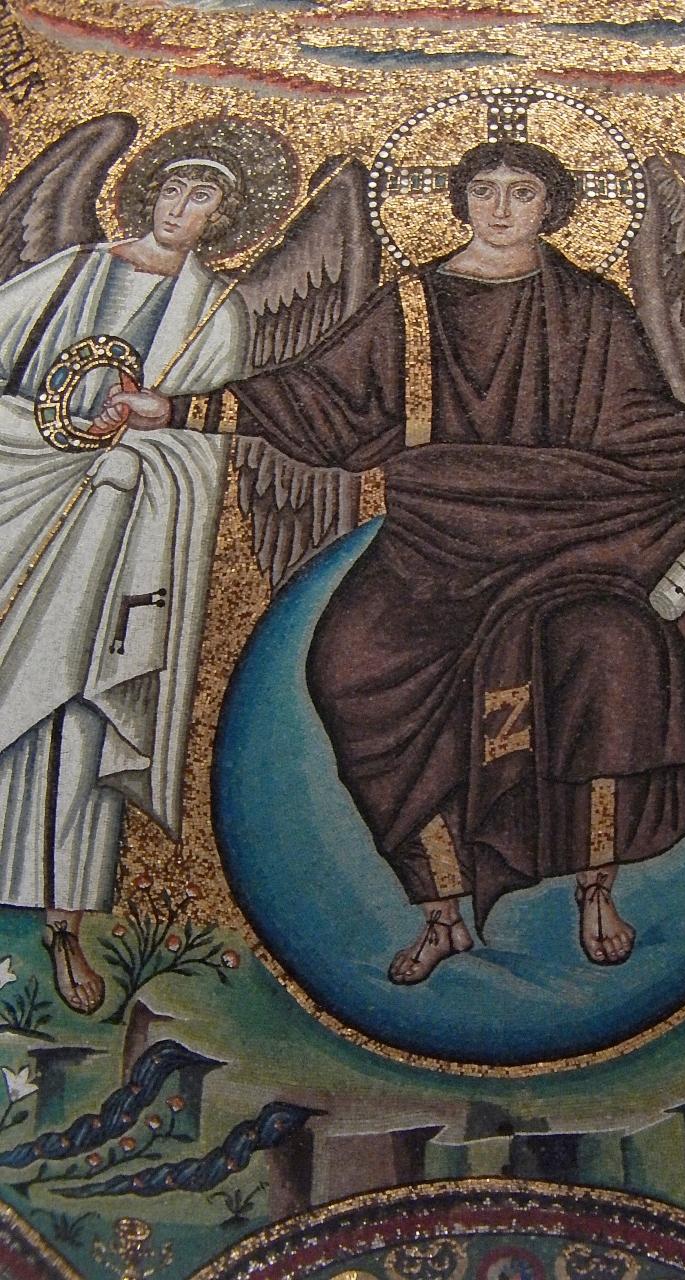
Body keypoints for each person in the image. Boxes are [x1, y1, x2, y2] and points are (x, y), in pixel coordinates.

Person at [117, 140, 685, 986]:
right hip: (434, 541)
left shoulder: (590, 306)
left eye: (522, 191)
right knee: (351, 668)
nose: (500, 208)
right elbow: (319, 397)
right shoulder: (411, 304)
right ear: (459, 199)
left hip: (571, 541)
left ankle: (595, 887)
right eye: (484, 189)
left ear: (552, 206)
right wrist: (180, 410)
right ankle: (441, 911)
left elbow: (639, 416)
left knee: (610, 651)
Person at [0, 149, 248, 1013]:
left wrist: (147, 438)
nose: (182, 205)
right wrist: (38, 433)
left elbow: (209, 448)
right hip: (19, 503)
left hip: (119, 530)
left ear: (224, 217)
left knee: (83, 709)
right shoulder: (72, 272)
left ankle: (64, 921)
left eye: (203, 195)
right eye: (174, 186)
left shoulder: (215, 311)